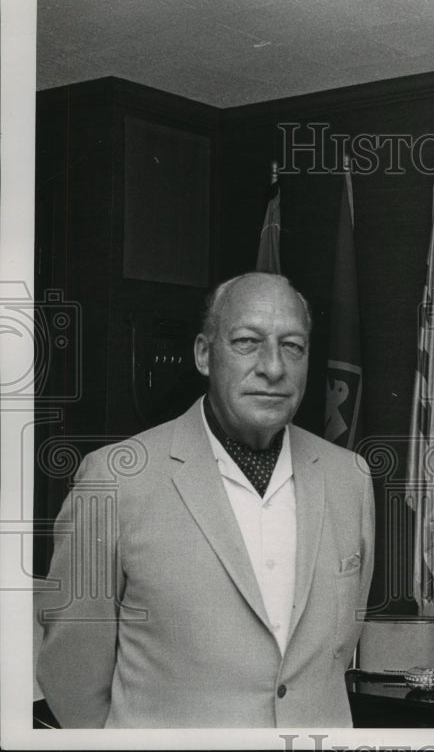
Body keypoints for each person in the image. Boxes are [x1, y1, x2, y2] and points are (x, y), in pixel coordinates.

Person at [36, 272, 374, 728]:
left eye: (292, 345)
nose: (273, 367)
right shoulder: (115, 481)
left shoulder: (348, 478)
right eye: (247, 342)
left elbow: (333, 654)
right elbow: (70, 675)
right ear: (203, 354)